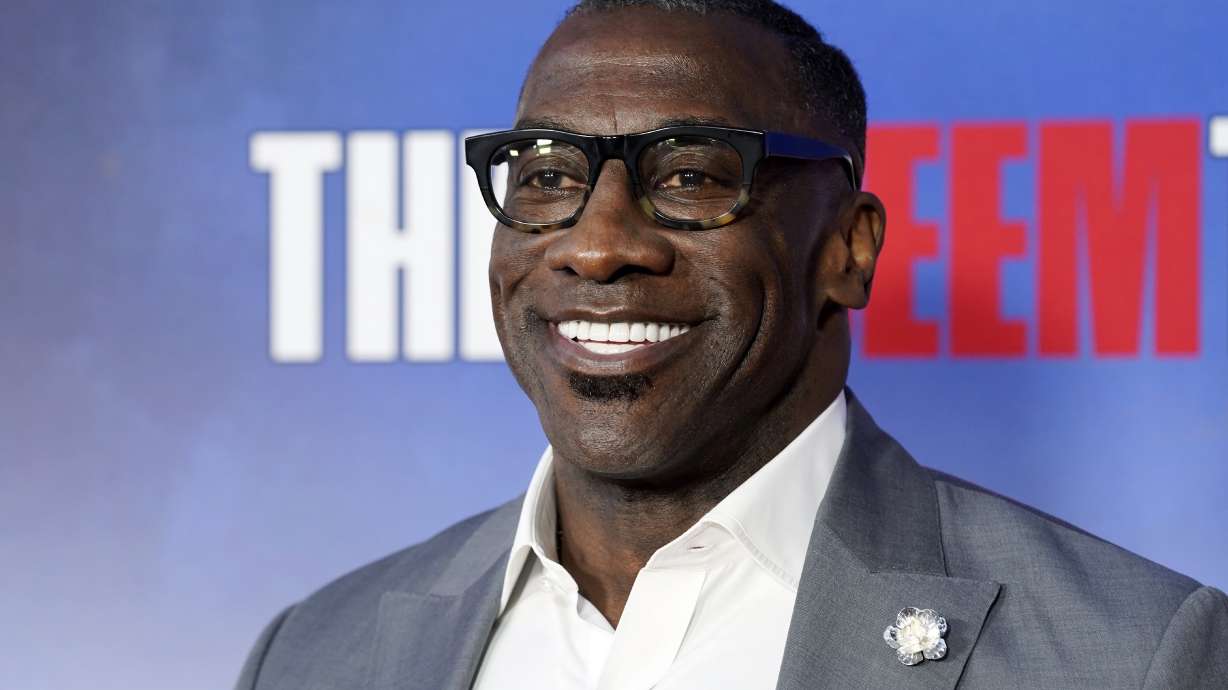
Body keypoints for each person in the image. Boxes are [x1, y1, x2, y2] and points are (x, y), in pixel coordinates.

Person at [235, 1, 1228, 688]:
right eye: (543, 175)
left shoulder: (1134, 657)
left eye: (692, 174)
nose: (598, 243)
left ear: (847, 247)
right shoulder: (316, 654)